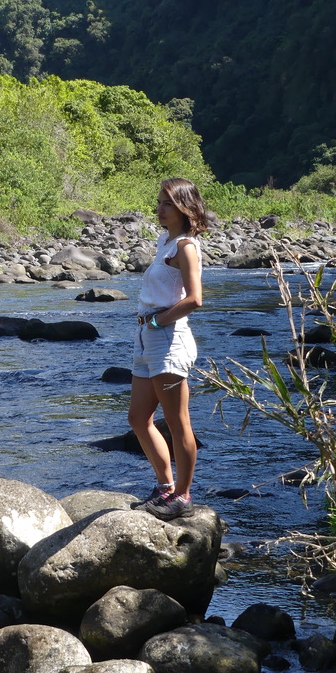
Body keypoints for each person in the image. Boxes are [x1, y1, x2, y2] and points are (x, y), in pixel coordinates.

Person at [128, 177, 207, 520]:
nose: (159, 210)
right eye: (159, 203)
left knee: (177, 422)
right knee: (138, 418)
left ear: (185, 209)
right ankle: (165, 488)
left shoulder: (185, 246)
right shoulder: (165, 240)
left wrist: (159, 322)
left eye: (167, 204)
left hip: (168, 338)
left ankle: (183, 497)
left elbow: (195, 299)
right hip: (148, 336)